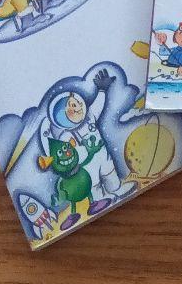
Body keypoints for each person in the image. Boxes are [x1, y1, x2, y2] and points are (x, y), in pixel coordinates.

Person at [37, 68, 121, 212]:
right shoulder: (65, 137)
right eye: (73, 106)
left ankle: (117, 189)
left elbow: (98, 106)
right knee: (94, 183)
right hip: (88, 166)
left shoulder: (89, 116)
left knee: (110, 174)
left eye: (77, 102)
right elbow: (66, 154)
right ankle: (99, 201)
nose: (79, 107)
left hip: (104, 157)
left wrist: (102, 89)